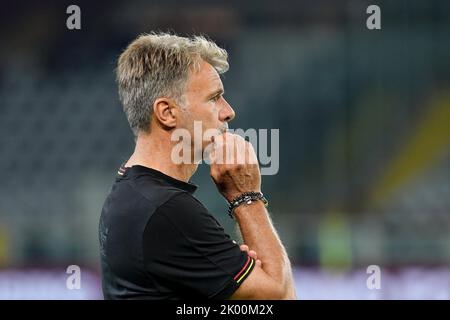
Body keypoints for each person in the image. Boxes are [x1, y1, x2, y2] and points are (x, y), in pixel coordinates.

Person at [99, 32, 297, 300]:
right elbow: (280, 296)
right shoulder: (167, 211)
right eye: (214, 98)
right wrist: (246, 197)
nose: (228, 111)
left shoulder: (132, 193)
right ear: (167, 113)